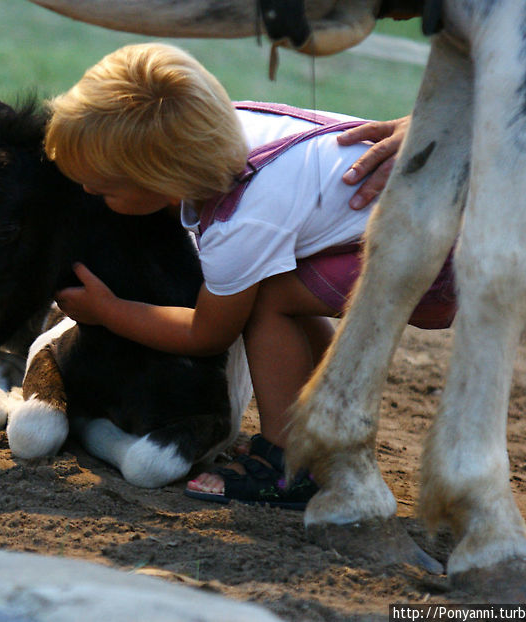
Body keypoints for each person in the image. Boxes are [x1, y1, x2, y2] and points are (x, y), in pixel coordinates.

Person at [45, 42, 454, 508]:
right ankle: (324, 426)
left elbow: (208, 333)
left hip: (438, 261)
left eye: (105, 188)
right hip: (440, 226)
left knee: (264, 301)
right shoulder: (225, 132)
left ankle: (288, 464)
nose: (89, 191)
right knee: (281, 286)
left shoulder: (239, 222)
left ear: (162, 180)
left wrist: (109, 311)